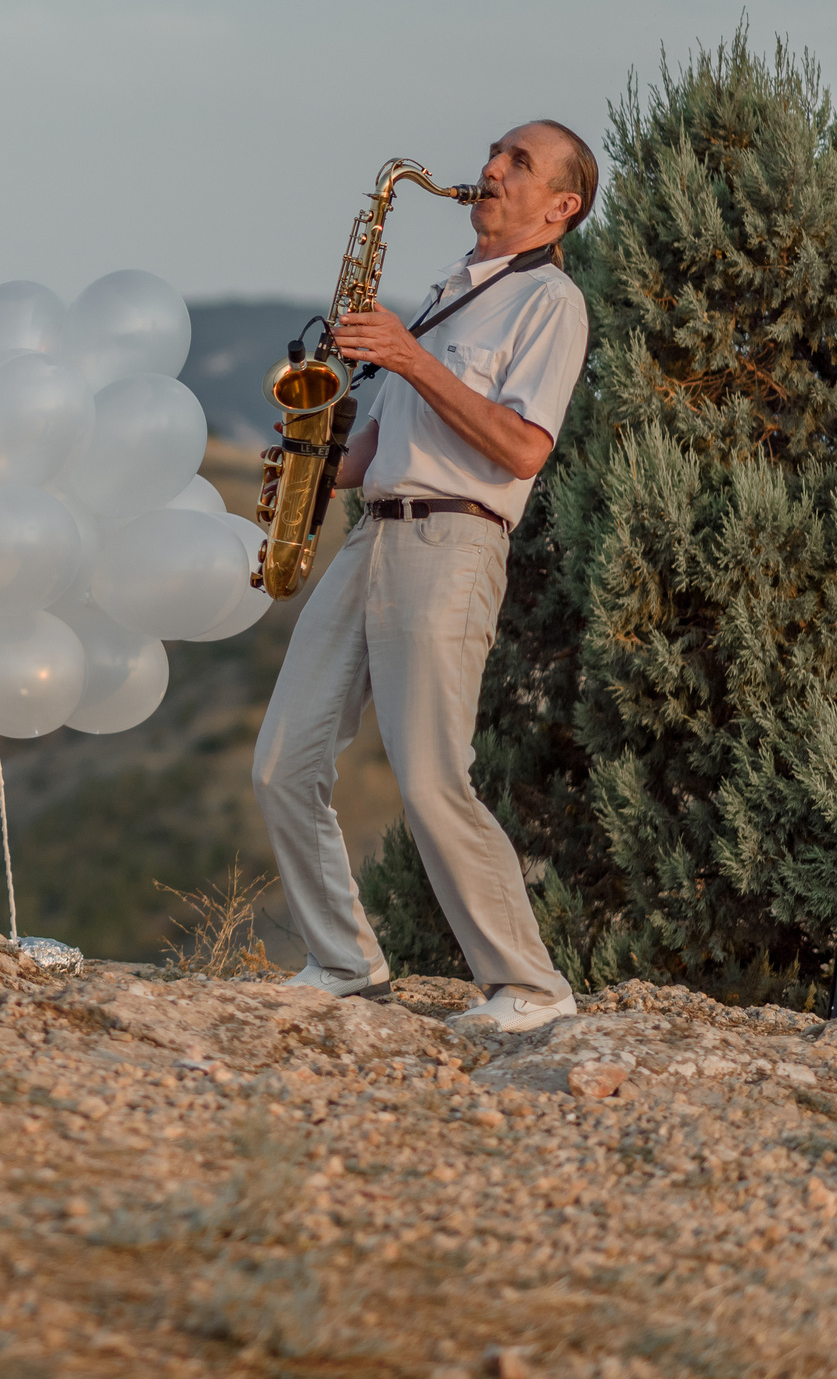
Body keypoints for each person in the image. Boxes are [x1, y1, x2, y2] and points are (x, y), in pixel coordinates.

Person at [252, 120, 596, 1034]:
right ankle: (343, 961)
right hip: (374, 534)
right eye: (496, 153)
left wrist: (408, 355)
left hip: (453, 543)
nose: (489, 169)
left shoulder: (550, 304)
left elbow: (522, 446)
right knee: (283, 764)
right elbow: (379, 447)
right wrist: (313, 459)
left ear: (562, 207)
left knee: (434, 777)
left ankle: (529, 986)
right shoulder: (449, 293)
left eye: (518, 163)